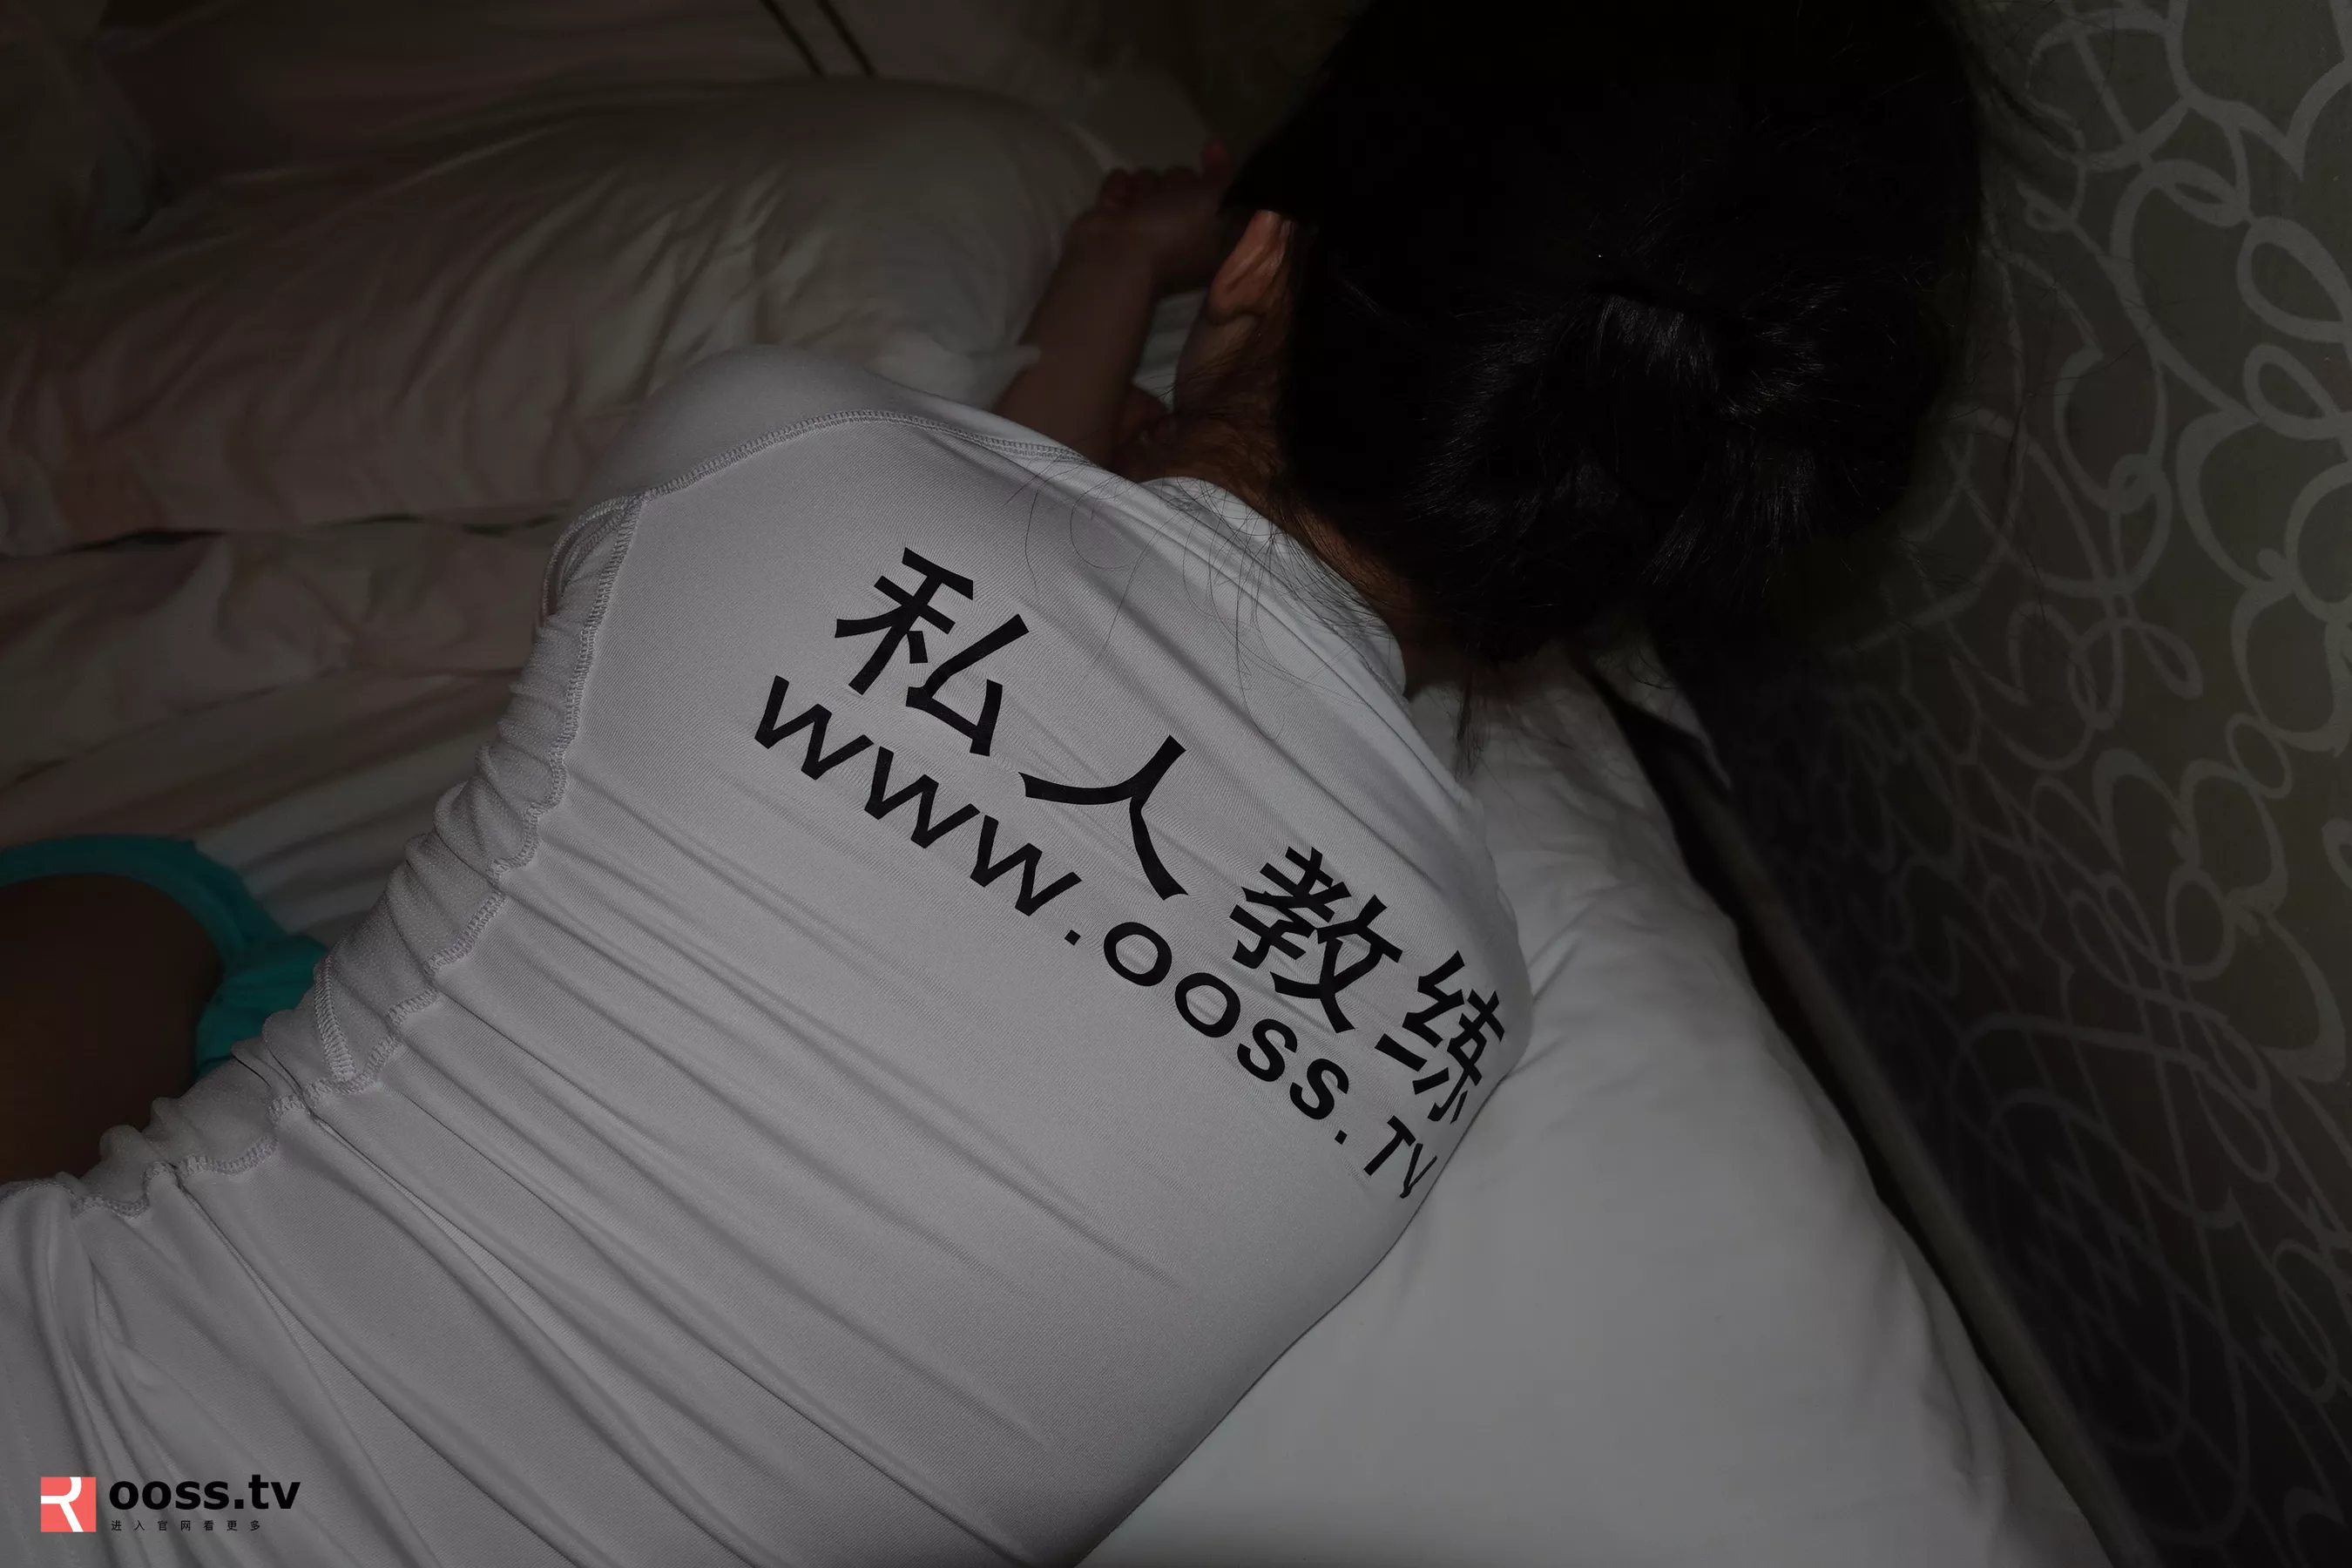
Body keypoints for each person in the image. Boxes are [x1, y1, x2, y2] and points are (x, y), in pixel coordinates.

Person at [1, 1, 1988, 1559]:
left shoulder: (779, 462)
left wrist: (1121, 257)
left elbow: (1020, 535)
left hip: (80, 1482)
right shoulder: (1454, 1003)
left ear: (1264, 260)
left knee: (137, 900)